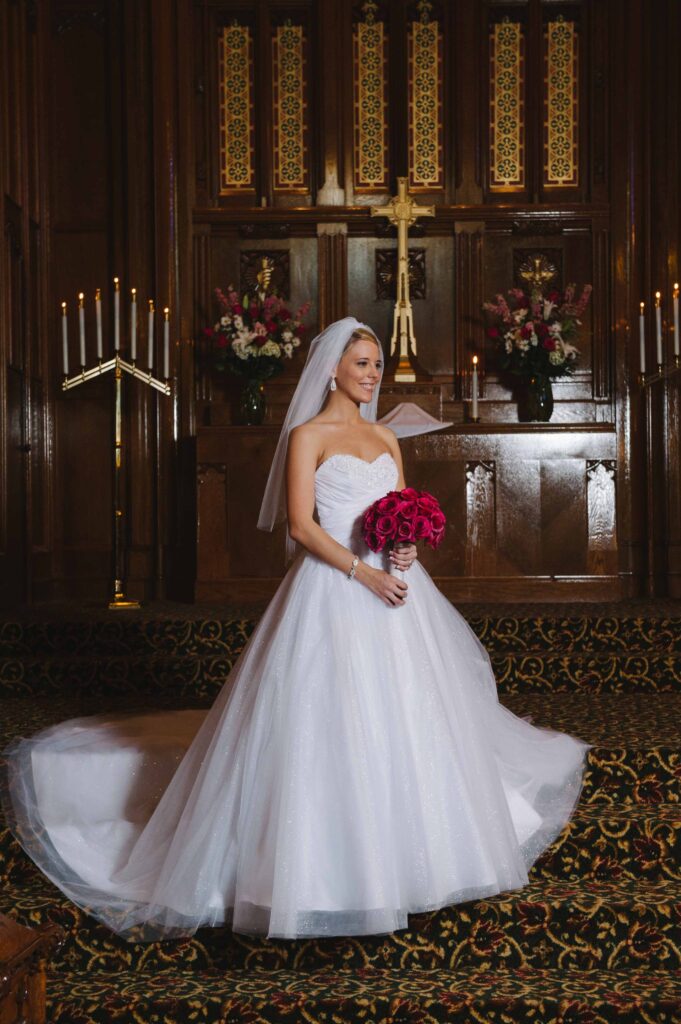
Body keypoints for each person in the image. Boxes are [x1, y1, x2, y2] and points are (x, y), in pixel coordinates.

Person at [0, 316, 592, 942]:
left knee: (406, 718)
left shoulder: (388, 440)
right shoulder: (308, 436)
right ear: (333, 368)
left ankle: (414, 863)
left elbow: (401, 516)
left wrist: (407, 553)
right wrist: (362, 574)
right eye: (362, 364)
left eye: (378, 365)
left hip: (396, 593)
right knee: (321, 721)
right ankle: (322, 876)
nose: (373, 375)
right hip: (332, 589)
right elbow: (302, 527)